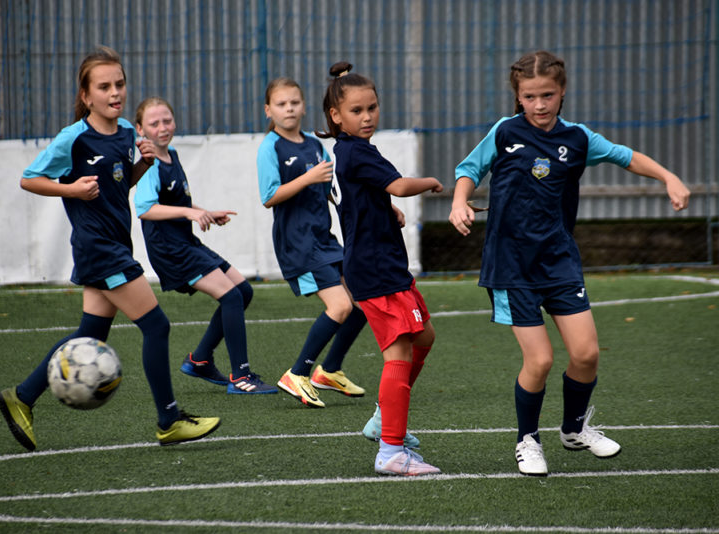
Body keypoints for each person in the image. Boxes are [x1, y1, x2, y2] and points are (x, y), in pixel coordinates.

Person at [449, 50, 691, 476]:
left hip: (559, 261)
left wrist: (668, 177)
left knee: (586, 354)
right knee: (540, 360)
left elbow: (626, 156)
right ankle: (527, 440)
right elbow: (470, 169)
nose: (539, 104)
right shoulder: (505, 132)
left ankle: (574, 429)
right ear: (518, 96)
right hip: (511, 266)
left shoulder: (578, 139)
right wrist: (459, 201)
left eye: (547, 95)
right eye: (530, 96)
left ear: (562, 92)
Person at [0, 46, 221, 452]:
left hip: (114, 244)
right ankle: (169, 420)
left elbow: (118, 185)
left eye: (119, 84)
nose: (115, 92)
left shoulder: (126, 134)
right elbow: (29, 179)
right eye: (104, 87)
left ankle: (21, 396)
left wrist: (143, 165)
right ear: (86, 96)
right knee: (157, 326)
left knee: (91, 332)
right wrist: (71, 190)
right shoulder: (74, 138)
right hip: (99, 249)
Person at [318, 62, 444, 476]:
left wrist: (384, 209)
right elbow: (400, 185)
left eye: (372, 107)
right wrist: (430, 181)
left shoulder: (347, 151)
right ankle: (390, 450)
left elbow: (356, 195)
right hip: (375, 269)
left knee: (424, 336)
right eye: (356, 110)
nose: (367, 116)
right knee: (399, 353)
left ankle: (382, 418)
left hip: (383, 263)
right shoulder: (357, 152)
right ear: (336, 116)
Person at [133, 97, 276, 395]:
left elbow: (176, 201)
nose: (163, 127)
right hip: (170, 250)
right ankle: (241, 378)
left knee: (243, 291)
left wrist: (204, 212)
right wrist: (190, 213)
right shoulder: (150, 164)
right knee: (231, 297)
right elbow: (145, 208)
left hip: (186, 242)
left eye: (167, 120)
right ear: (140, 129)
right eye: (154, 123)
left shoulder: (171, 155)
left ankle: (200, 360)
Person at [256, 77, 369, 408]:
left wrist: (383, 207)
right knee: (341, 306)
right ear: (268, 110)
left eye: (294, 102)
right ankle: (297, 373)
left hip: (324, 239)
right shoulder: (270, 147)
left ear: (304, 107)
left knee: (363, 302)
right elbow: (269, 196)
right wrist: (307, 178)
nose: (289, 109)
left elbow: (334, 190)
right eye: (281, 104)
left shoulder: (314, 145)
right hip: (299, 243)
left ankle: (329, 371)